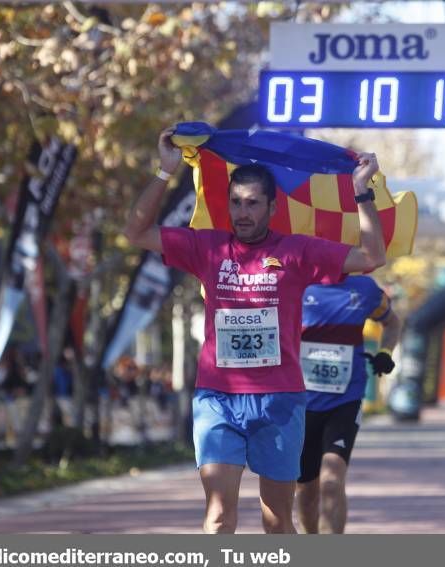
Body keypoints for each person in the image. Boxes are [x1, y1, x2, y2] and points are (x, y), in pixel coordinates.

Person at [123, 127, 386, 533]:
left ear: (271, 207)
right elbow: (136, 233)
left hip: (279, 402)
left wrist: (361, 192)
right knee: (217, 515)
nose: (242, 213)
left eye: (252, 204)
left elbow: (371, 256)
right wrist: (164, 172)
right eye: (235, 203)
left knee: (277, 520)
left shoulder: (297, 251)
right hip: (217, 399)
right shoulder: (207, 247)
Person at [295, 275, 400, 533]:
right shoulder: (295, 281)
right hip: (299, 401)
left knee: (331, 481)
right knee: (307, 489)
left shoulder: (364, 288)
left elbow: (393, 322)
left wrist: (385, 352)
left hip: (345, 398)